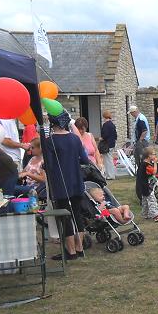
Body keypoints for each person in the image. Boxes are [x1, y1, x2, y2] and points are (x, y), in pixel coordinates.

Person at [46, 111, 90, 260]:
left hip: (60, 183)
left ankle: (70, 251)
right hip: (76, 180)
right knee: (77, 213)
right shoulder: (75, 139)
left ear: (52, 124)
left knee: (65, 216)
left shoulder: (50, 141)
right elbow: (85, 160)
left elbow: (50, 165)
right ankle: (79, 248)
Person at [135, 146, 158, 222]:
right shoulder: (146, 165)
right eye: (154, 154)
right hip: (147, 186)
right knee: (152, 200)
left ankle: (145, 214)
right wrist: (155, 163)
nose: (155, 155)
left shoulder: (143, 164)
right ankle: (156, 215)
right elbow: (154, 172)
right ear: (149, 156)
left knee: (145, 200)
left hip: (142, 186)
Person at [99, 110, 118, 180]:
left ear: (104, 116)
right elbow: (115, 135)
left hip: (107, 145)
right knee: (110, 160)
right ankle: (111, 174)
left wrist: (101, 138)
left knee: (107, 160)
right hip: (112, 144)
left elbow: (105, 135)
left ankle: (110, 175)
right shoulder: (112, 124)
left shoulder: (105, 125)